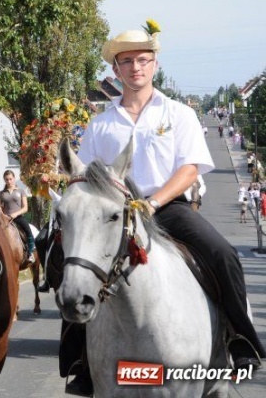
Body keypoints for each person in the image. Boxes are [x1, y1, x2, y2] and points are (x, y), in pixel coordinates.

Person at [59, 26, 265, 396]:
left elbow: (190, 169)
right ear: (116, 69)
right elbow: (85, 176)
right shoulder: (101, 124)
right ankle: (80, 361)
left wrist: (153, 203)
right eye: (127, 61)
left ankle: (240, 340)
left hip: (167, 209)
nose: (135, 67)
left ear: (155, 64)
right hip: (115, 216)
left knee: (222, 253)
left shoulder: (179, 114)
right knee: (75, 266)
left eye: (143, 60)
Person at [0, 170, 35, 263]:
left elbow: (25, 208)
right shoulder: (1, 194)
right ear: (4, 180)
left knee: (28, 230)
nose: (9, 181)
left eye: (10, 179)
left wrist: (15, 214)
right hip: (6, 219)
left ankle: (31, 253)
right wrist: (4, 216)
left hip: (18, 217)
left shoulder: (21, 191)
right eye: (7, 179)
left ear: (14, 179)